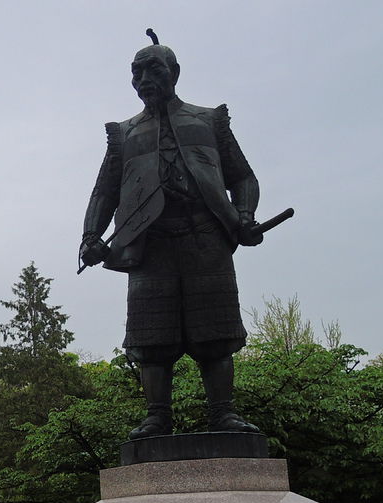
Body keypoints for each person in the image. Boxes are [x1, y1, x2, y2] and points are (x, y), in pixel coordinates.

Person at [79, 30, 264, 439]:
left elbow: (243, 177)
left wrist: (246, 214)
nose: (144, 78)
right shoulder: (124, 133)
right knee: (151, 335)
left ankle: (224, 413)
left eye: (153, 68)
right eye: (136, 71)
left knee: (215, 331)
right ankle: (157, 415)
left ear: (174, 72)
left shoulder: (209, 121)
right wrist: (91, 235)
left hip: (206, 237)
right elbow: (105, 190)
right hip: (150, 243)